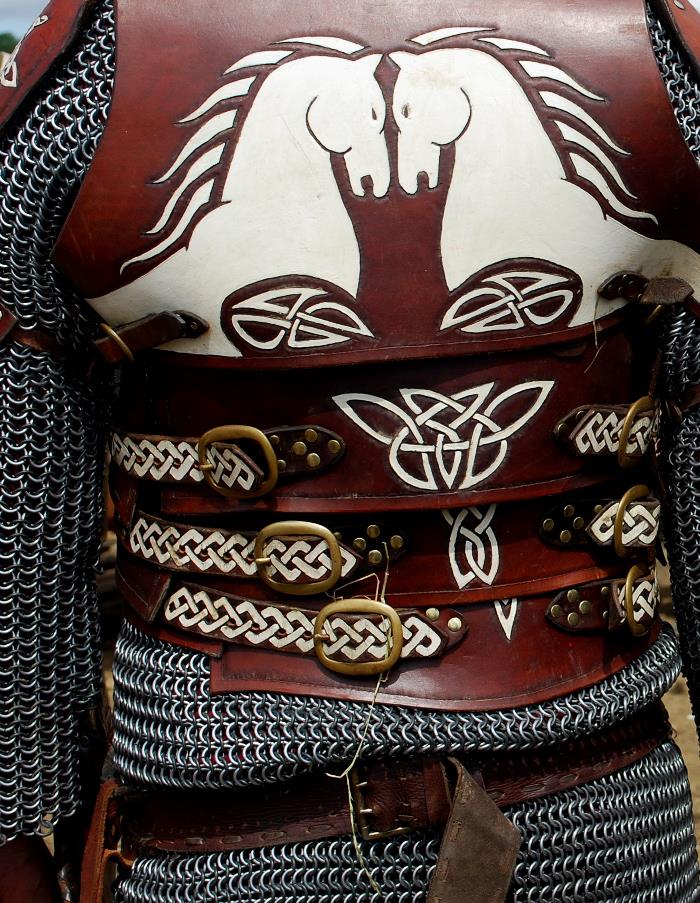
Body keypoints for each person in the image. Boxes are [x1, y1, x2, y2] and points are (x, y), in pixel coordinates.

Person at [2, 0, 700, 900]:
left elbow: (21, 503)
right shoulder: (653, 50)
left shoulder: (104, 61)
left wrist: (20, 834)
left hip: (234, 833)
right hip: (600, 818)